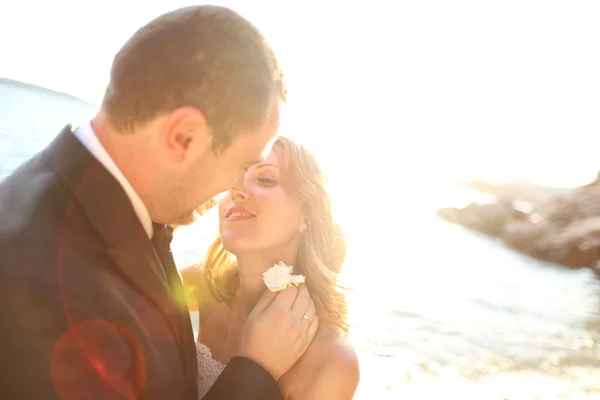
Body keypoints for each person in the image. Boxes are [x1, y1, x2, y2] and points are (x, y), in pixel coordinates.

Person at [0, 6, 318, 400]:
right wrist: (255, 372)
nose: (235, 188)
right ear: (183, 137)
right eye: (242, 165)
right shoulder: (48, 288)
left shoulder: (85, 202)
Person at [181, 137, 360, 399]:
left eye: (265, 180)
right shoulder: (195, 285)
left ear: (306, 214)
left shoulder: (332, 360)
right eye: (234, 175)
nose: (236, 189)